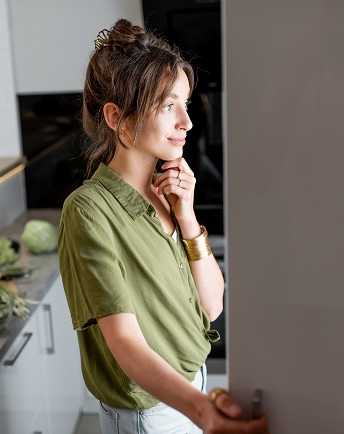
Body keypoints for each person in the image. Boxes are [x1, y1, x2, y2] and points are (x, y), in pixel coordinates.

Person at [58, 18, 270, 434]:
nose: (187, 122)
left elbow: (212, 307)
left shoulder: (167, 193)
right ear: (117, 117)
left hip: (192, 389)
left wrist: (187, 217)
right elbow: (125, 345)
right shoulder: (87, 211)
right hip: (150, 415)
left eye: (186, 104)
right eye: (168, 105)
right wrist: (202, 411)